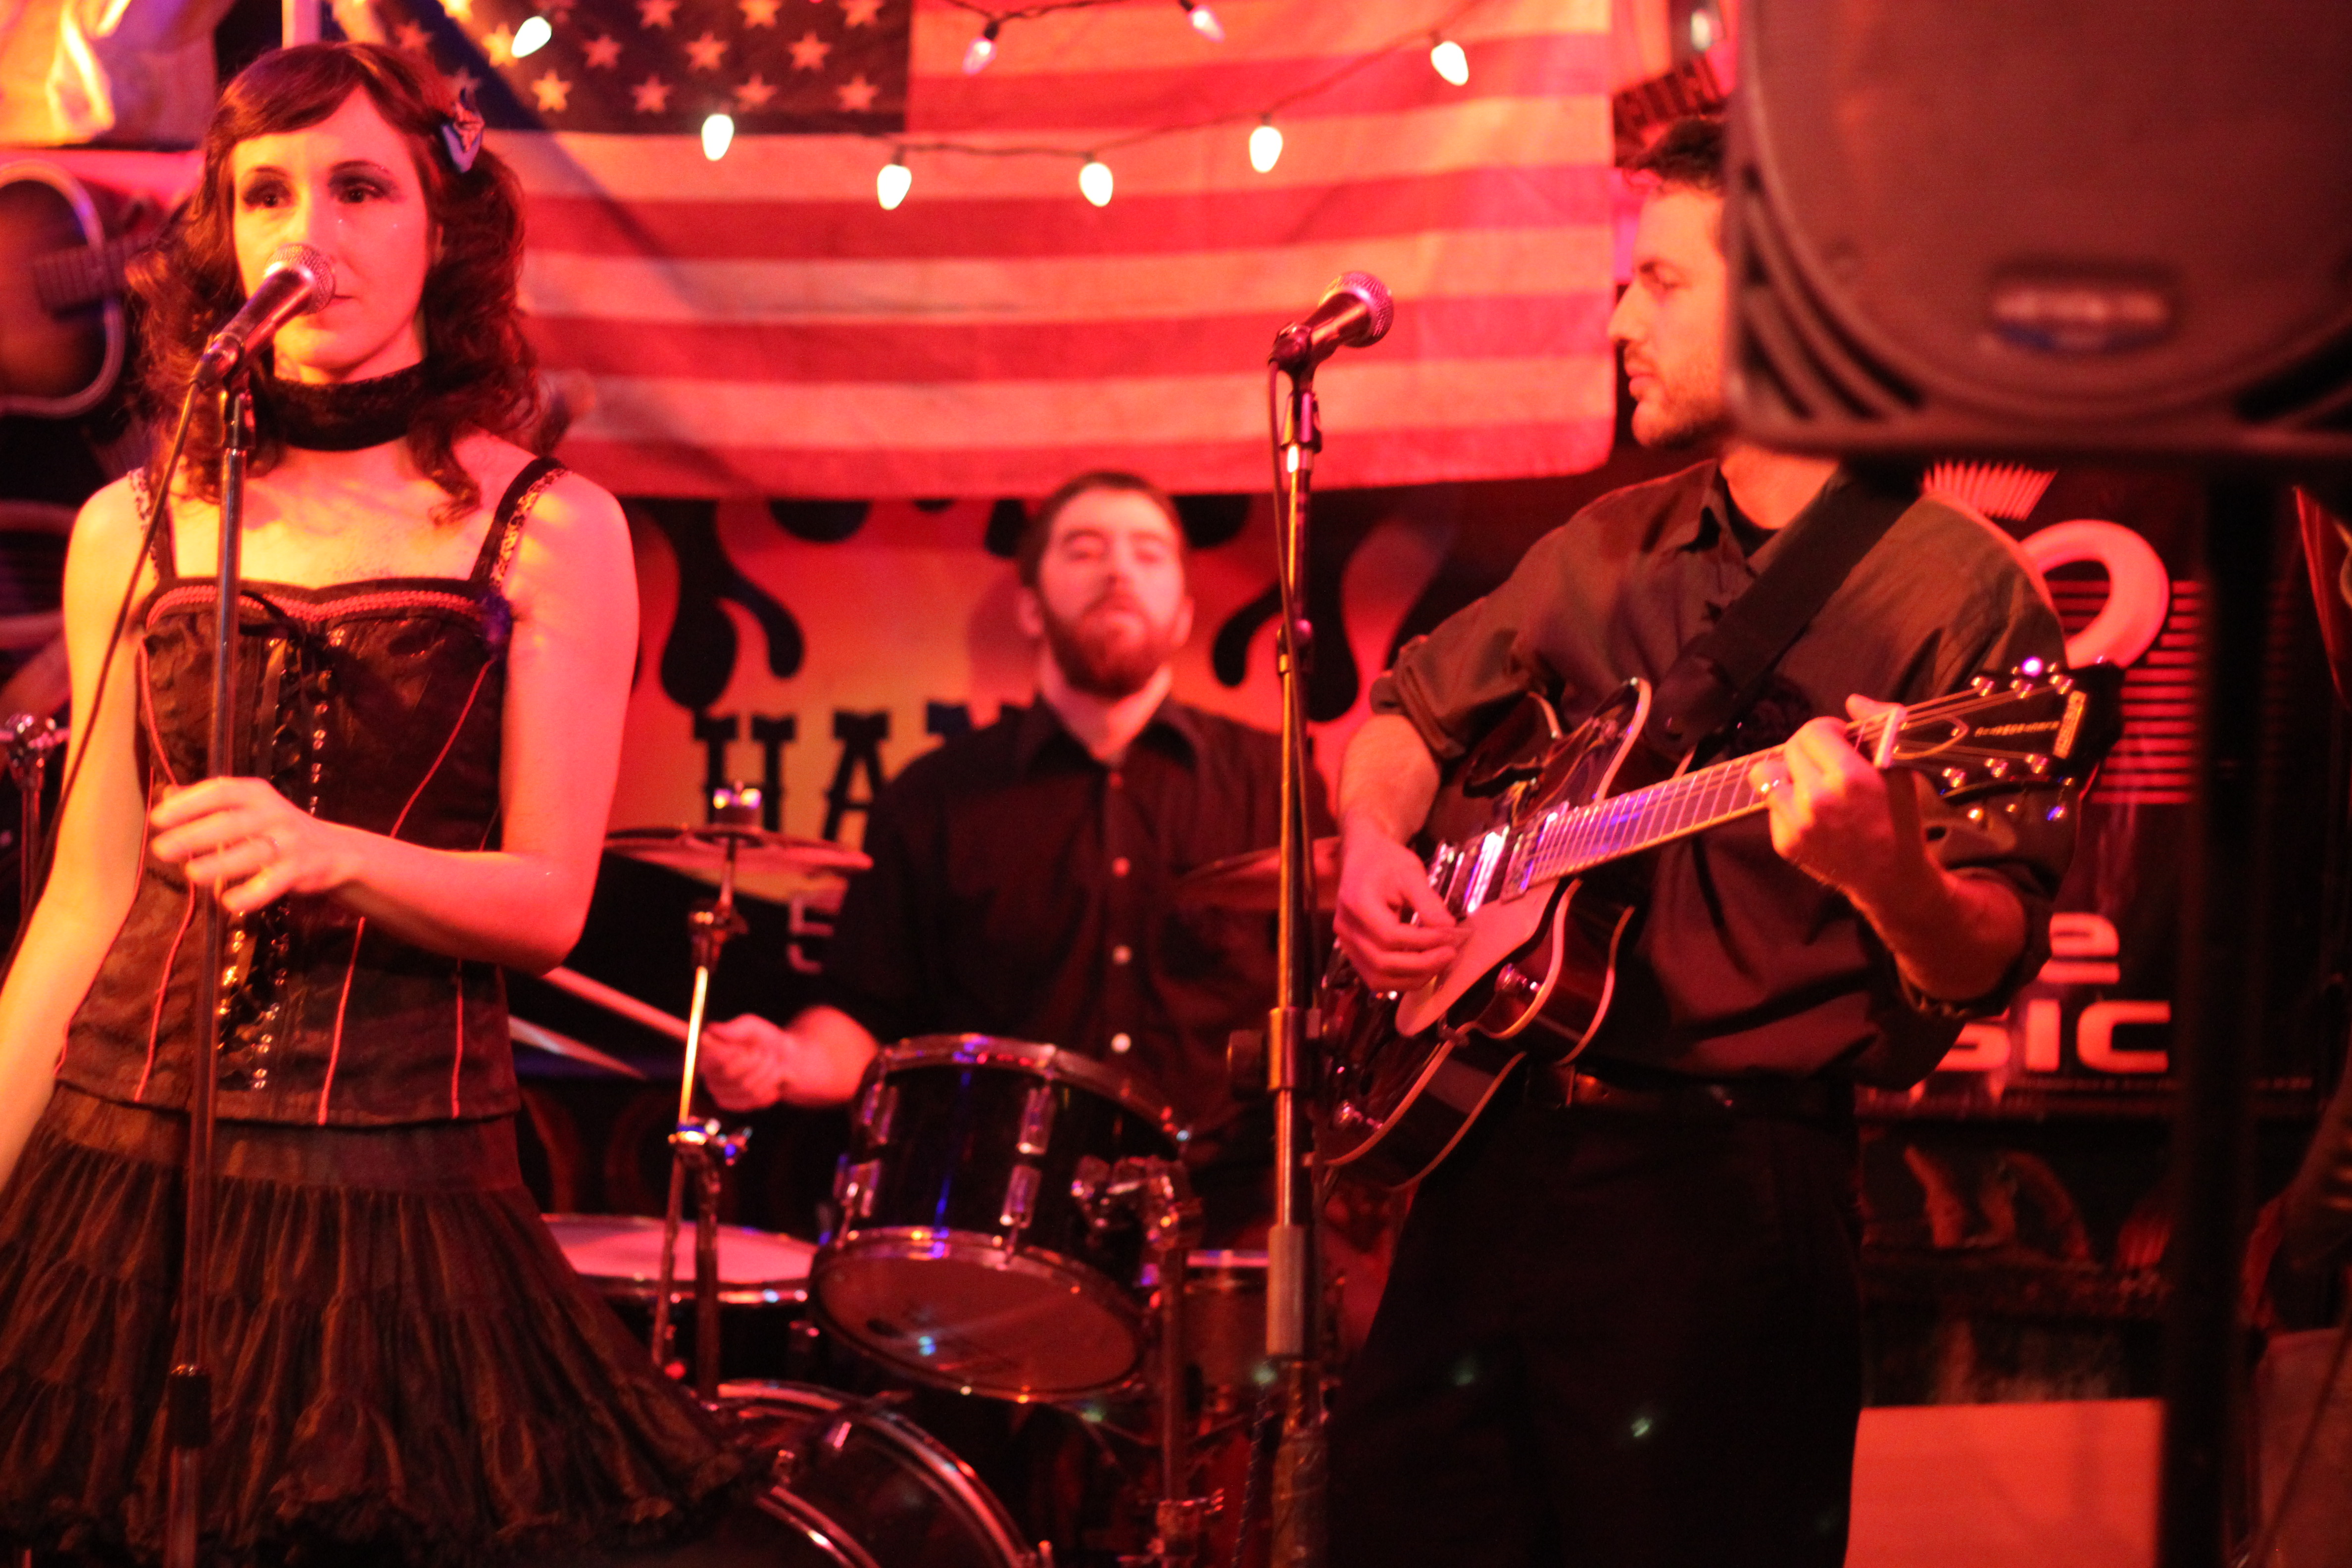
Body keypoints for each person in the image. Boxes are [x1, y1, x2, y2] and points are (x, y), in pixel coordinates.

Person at [0, 43, 738, 1566]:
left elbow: (548, 903)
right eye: (266, 194)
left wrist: (325, 851)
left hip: (395, 1187)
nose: (307, 232)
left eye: (358, 189)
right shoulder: (133, 519)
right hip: (118, 1171)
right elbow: (84, 902)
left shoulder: (552, 528)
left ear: (441, 226)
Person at [1323, 117, 2078, 1567]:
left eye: (1662, 284)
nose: (1621, 322)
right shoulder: (1602, 544)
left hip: (1726, 1203)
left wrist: (1885, 869)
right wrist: (1370, 840)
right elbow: (1408, 718)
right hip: (1490, 1156)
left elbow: (1985, 953)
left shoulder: (1959, 596)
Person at [699, 470, 1319, 1239]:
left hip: (1231, 1222)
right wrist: (787, 1059)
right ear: (1030, 606)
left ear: (1185, 614)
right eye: (1084, 550)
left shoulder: (1277, 781)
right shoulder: (934, 797)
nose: (1118, 571)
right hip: (1004, 1222)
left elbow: (1330, 1007)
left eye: (1149, 553)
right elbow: (867, 1018)